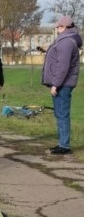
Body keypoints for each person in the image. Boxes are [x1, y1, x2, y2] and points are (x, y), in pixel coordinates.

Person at [41, 16, 82, 155]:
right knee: (59, 114)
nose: (57, 29)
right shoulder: (65, 40)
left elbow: (63, 66)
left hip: (63, 84)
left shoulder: (66, 42)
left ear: (65, 27)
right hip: (61, 84)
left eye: (59, 27)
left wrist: (55, 85)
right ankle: (61, 143)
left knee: (62, 114)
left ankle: (64, 145)